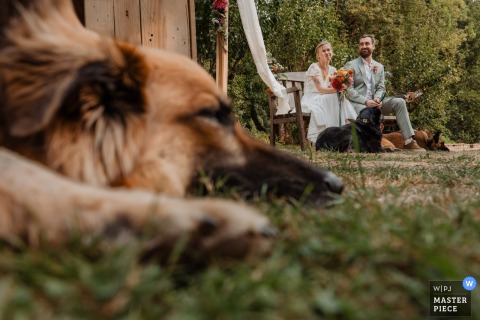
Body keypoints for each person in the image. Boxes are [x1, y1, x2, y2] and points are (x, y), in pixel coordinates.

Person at [345, 34, 425, 151]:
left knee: (399, 102)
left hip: (376, 104)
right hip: (359, 104)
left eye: (367, 43)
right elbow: (349, 91)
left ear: (373, 46)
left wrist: (378, 99)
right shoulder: (351, 65)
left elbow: (381, 88)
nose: (364, 46)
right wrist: (366, 102)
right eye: (361, 44)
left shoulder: (379, 67)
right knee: (368, 112)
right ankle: (374, 144)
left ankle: (409, 141)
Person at [301, 41, 357, 144]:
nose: (327, 52)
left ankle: (341, 134)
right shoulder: (314, 67)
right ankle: (332, 135)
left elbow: (332, 88)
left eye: (328, 50)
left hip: (325, 97)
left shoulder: (334, 70)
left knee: (339, 97)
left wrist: (343, 86)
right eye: (323, 51)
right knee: (335, 97)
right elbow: (321, 89)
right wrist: (337, 90)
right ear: (318, 55)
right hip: (312, 98)